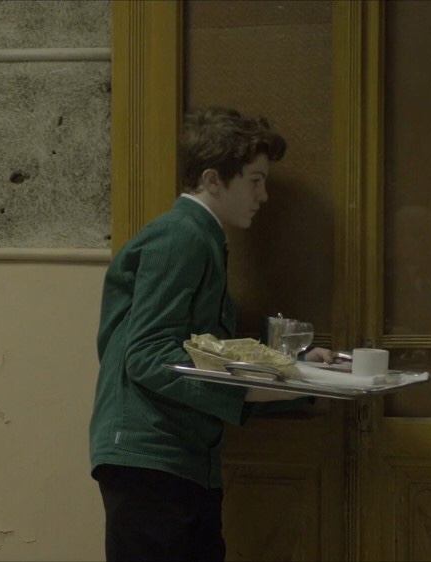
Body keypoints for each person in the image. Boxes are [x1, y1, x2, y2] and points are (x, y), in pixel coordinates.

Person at [89, 106, 334, 562]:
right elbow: (146, 356)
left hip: (178, 458)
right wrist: (285, 384)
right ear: (213, 179)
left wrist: (295, 373)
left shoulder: (200, 237)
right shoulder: (181, 235)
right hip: (152, 457)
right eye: (255, 180)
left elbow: (199, 352)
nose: (263, 195)